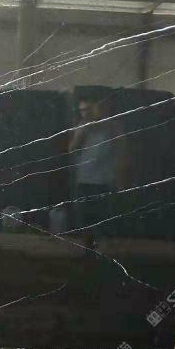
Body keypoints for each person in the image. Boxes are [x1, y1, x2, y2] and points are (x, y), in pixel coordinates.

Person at [69, 97, 122, 245]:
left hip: (105, 180)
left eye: (88, 109)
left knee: (103, 219)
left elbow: (122, 150)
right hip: (85, 179)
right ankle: (88, 249)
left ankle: (101, 248)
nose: (85, 113)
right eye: (82, 111)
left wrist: (120, 177)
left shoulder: (112, 126)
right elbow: (72, 149)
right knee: (85, 217)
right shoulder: (82, 126)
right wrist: (82, 131)